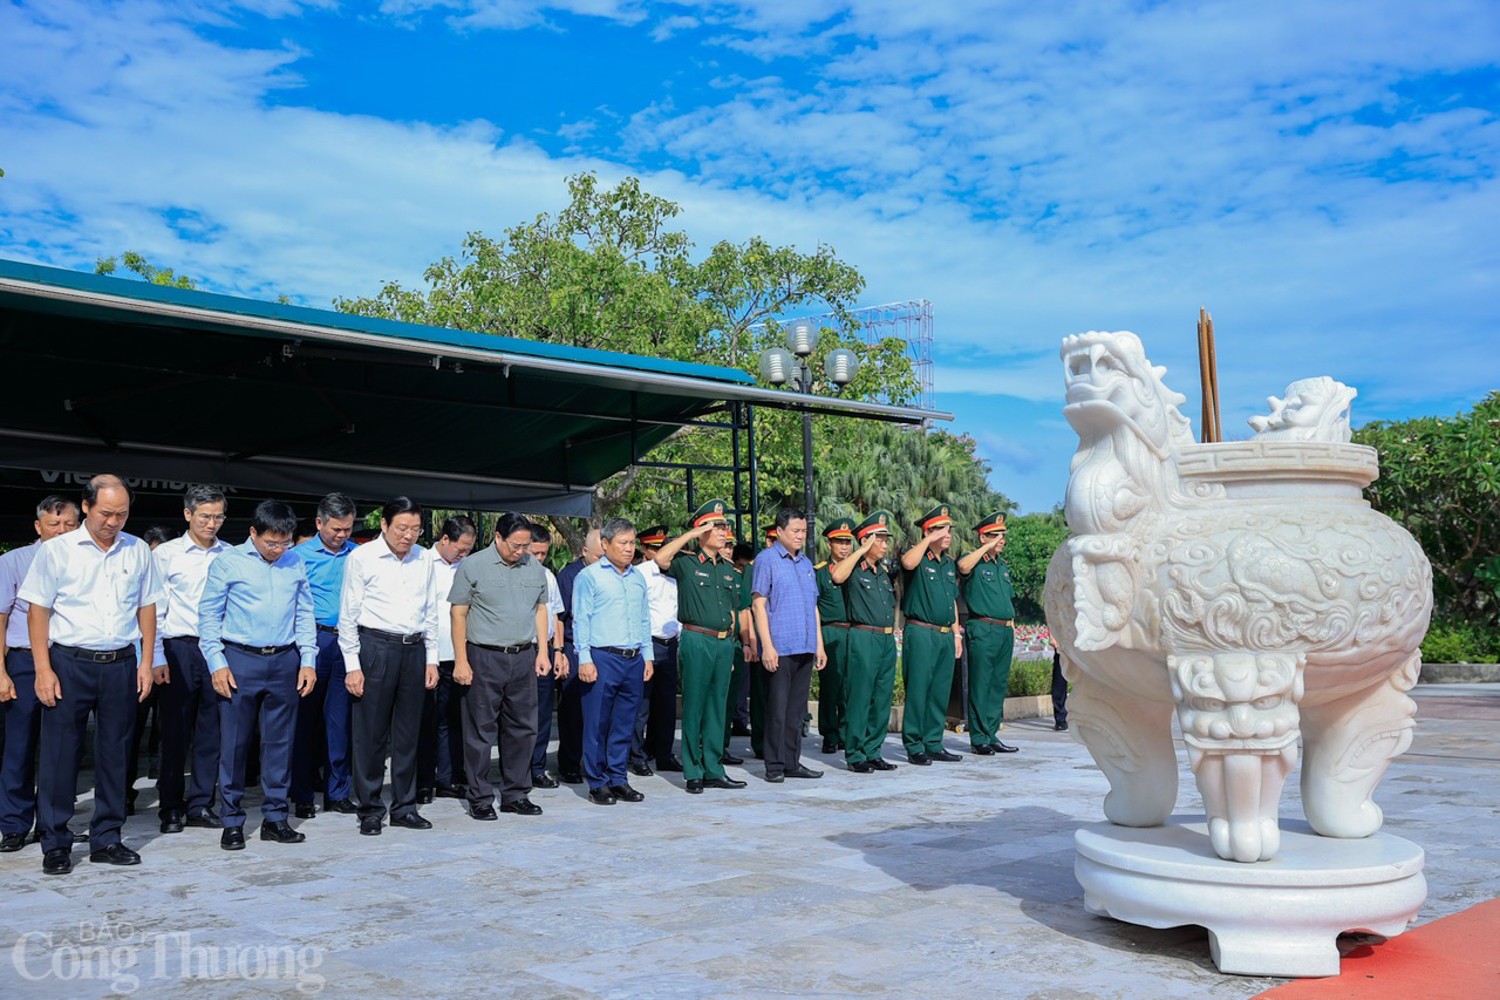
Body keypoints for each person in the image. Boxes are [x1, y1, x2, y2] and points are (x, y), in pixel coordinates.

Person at [20, 474, 160, 876]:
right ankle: (56, 842)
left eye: (121, 514)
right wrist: (43, 668)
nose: (113, 521)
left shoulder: (137, 550)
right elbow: (38, 611)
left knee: (116, 753)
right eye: (105, 513)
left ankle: (107, 838)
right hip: (68, 662)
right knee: (60, 755)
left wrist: (146, 661)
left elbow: (147, 607)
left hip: (120, 663)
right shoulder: (58, 550)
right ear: (86, 507)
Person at [199, 500, 318, 850]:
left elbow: (304, 613)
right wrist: (216, 662)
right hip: (239, 660)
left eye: (285, 542)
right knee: (234, 744)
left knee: (280, 743)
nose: (279, 550)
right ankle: (232, 820)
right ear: (254, 533)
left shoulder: (295, 561)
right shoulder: (229, 562)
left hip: (284, 660)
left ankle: (276, 818)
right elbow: (208, 615)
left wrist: (307, 659)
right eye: (271, 543)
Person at [340, 497, 440, 836]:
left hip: (413, 649)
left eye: (415, 529)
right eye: (401, 528)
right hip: (375, 648)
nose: (408, 535)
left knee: (408, 734)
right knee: (370, 734)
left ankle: (404, 806)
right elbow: (348, 615)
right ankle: (369, 807)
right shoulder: (362, 557)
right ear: (384, 525)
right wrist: (352, 665)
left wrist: (432, 659)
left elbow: (431, 613)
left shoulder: (424, 558)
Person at [450, 513, 550, 820]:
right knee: (480, 730)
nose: (521, 552)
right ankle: (480, 797)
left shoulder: (533, 566)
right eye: (515, 545)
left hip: (523, 656)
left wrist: (543, 651)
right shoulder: (474, 565)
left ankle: (515, 793)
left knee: (523, 728)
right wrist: (461, 660)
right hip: (484, 656)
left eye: (525, 546)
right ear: (498, 537)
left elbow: (540, 609)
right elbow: (458, 614)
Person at [0, 496, 80, 853]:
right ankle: (14, 824)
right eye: (54, 525)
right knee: (19, 746)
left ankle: (54, 823)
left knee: (61, 749)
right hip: (24, 662)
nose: (61, 532)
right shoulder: (14, 561)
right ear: (38, 527)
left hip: (69, 660)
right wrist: (0, 672)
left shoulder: (86, 561)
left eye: (69, 525)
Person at [151, 484, 230, 835]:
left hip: (219, 650)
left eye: (218, 517)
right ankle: (170, 806)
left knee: (212, 731)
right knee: (174, 731)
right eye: (205, 517)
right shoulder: (166, 555)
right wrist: (155, 656)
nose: (211, 524)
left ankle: (201, 803)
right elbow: (153, 610)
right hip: (178, 648)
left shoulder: (230, 555)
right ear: (188, 515)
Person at [654, 500, 747, 794]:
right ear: (701, 530)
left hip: (723, 643)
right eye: (716, 526)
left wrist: (733, 645)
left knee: (718, 707)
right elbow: (660, 559)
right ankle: (693, 770)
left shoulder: (730, 570)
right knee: (694, 706)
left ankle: (713, 768)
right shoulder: (687, 562)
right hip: (697, 639)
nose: (723, 532)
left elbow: (734, 611)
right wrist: (692, 536)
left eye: (724, 526)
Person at [571, 517, 653, 805]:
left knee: (624, 722)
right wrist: (584, 658)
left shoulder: (637, 577)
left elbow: (644, 618)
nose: (629, 549)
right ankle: (597, 782)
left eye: (632, 543)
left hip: (633, 658)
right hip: (603, 657)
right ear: (605, 544)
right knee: (597, 722)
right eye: (623, 543)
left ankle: (618, 778)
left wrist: (648, 656)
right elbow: (581, 619)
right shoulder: (590, 577)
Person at [290, 493, 359, 818]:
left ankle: (337, 792)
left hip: (346, 643)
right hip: (311, 642)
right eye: (336, 529)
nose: (342, 535)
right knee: (304, 722)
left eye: (347, 529)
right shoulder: (297, 556)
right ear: (319, 524)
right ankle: (302, 794)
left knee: (340, 722)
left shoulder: (358, 555)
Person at [750, 508, 826, 783]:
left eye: (803, 531)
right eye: (795, 530)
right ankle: (774, 765)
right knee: (777, 710)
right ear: (779, 531)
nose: (800, 536)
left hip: (804, 645)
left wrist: (819, 644)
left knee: (796, 712)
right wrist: (766, 647)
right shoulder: (766, 560)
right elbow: (759, 605)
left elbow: (813, 606)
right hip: (780, 647)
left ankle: (792, 761)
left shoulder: (806, 564)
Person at [831, 511, 901, 773]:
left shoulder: (881, 572)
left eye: (885, 539)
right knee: (859, 697)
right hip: (862, 636)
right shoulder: (854, 568)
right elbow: (837, 576)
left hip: (885, 639)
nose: (885, 544)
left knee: (881, 698)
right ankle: (856, 753)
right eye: (880, 539)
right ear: (866, 540)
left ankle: (874, 750)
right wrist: (860, 551)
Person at [898, 504, 964, 765]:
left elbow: (953, 603)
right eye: (942, 529)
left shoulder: (948, 564)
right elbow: (906, 562)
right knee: (918, 689)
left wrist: (957, 636)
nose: (948, 534)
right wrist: (927, 540)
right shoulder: (916, 558)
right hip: (921, 631)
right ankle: (914, 745)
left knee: (939, 690)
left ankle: (934, 742)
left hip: (945, 634)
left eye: (949, 529)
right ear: (929, 531)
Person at [418, 515, 477, 802]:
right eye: (460, 548)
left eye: (468, 549)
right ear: (444, 539)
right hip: (427, 655)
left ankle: (448, 778)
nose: (463, 554)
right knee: (423, 721)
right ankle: (422, 781)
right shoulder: (421, 562)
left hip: (458, 656)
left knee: (452, 721)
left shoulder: (468, 567)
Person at [957, 511, 1020, 755]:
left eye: (1003, 536)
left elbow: (1007, 600)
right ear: (983, 537)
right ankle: (979, 737)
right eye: (996, 536)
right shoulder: (973, 561)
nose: (1001, 540)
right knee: (981, 683)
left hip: (1004, 630)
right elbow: (962, 567)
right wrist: (988, 547)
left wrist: (1011, 624)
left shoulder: (1002, 566)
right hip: (983, 628)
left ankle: (992, 734)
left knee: (997, 684)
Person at [630, 525, 681, 777]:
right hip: (646, 644)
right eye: (657, 549)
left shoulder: (675, 573)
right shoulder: (639, 573)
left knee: (666, 704)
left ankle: (663, 753)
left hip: (670, 643)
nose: (665, 554)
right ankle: (637, 755)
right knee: (641, 704)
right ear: (646, 550)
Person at [553, 527, 602, 784]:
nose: (601, 562)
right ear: (584, 552)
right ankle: (570, 763)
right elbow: (559, 618)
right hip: (574, 646)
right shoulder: (569, 576)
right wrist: (559, 651)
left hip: (601, 647)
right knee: (572, 710)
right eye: (597, 557)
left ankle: (597, 760)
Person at [524, 523, 567, 790]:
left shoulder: (548, 576)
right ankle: (515, 768)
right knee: (517, 715)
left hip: (544, 650)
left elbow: (556, 616)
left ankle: (537, 767)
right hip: (519, 650)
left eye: (543, 553)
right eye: (535, 552)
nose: (539, 558)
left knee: (541, 714)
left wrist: (559, 651)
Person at [815, 518, 855, 755]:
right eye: (839, 542)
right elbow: (815, 607)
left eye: (847, 542)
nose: (844, 547)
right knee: (831, 686)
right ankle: (829, 735)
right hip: (831, 630)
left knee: (852, 686)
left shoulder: (857, 568)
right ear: (829, 543)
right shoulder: (820, 572)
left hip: (855, 630)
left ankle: (846, 732)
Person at [1050, 636, 1069, 731]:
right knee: (1060, 677)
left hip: (1083, 632)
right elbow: (1052, 620)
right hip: (1063, 636)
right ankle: (1060, 718)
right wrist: (1052, 636)